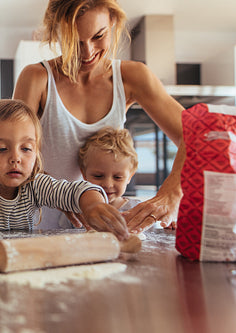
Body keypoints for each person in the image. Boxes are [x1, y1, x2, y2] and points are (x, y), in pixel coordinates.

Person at [13, 0, 184, 233]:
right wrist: (69, 197)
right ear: (56, 33)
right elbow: (15, 158)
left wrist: (171, 193)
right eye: (74, 41)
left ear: (112, 22)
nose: (87, 52)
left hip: (98, 233)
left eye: (98, 36)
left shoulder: (131, 77)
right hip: (39, 227)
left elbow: (197, 135)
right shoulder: (36, 78)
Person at [0, 99, 129, 249]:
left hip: (16, 267)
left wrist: (92, 205)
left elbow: (75, 190)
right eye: (1, 149)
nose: (15, 158)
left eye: (26, 148)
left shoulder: (35, 185)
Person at [78, 127, 140, 212]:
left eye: (117, 177)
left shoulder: (137, 210)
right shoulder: (76, 212)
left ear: (129, 177)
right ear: (84, 174)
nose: (108, 184)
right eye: (98, 176)